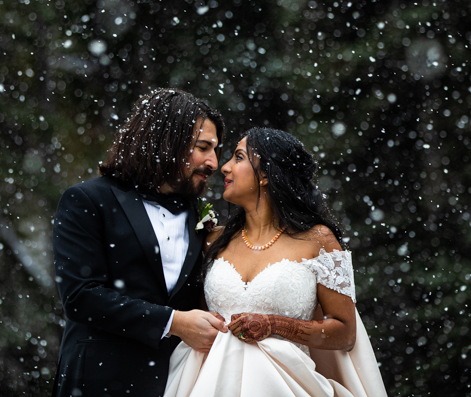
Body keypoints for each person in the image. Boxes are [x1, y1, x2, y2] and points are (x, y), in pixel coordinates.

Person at [164, 128, 388, 397]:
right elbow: (198, 312)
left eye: (238, 158)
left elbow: (345, 333)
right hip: (211, 382)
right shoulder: (212, 239)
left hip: (286, 384)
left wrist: (275, 325)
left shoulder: (320, 241)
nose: (224, 167)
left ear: (266, 175)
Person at [51, 88, 230, 397]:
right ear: (167, 140)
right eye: (203, 147)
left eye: (215, 150)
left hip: (176, 381)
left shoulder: (200, 217)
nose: (214, 163)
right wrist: (173, 322)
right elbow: (81, 296)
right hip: (98, 379)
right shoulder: (88, 200)